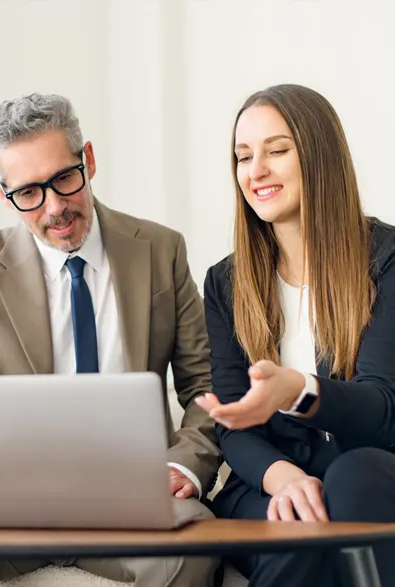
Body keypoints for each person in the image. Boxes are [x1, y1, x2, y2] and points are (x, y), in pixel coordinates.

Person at [0, 93, 221, 587]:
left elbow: (206, 384)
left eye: (64, 179)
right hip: (14, 498)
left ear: (87, 160)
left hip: (136, 492)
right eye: (29, 193)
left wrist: (184, 464)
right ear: (4, 195)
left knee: (192, 551)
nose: (56, 207)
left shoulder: (161, 251)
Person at [195, 83, 395, 587]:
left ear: (319, 155)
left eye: (277, 150)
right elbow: (233, 420)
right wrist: (281, 477)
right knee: (291, 528)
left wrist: (301, 392)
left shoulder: (385, 259)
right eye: (243, 156)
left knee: (349, 483)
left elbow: (383, 406)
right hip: (268, 481)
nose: (255, 170)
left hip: (365, 470)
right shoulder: (225, 283)